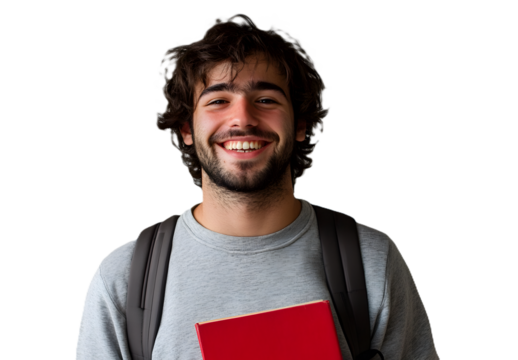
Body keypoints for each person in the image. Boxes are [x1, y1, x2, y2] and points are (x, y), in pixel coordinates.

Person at [75, 13, 440, 360]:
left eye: (266, 100)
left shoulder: (370, 261)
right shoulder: (124, 279)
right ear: (186, 129)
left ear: (300, 124)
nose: (243, 118)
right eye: (218, 100)